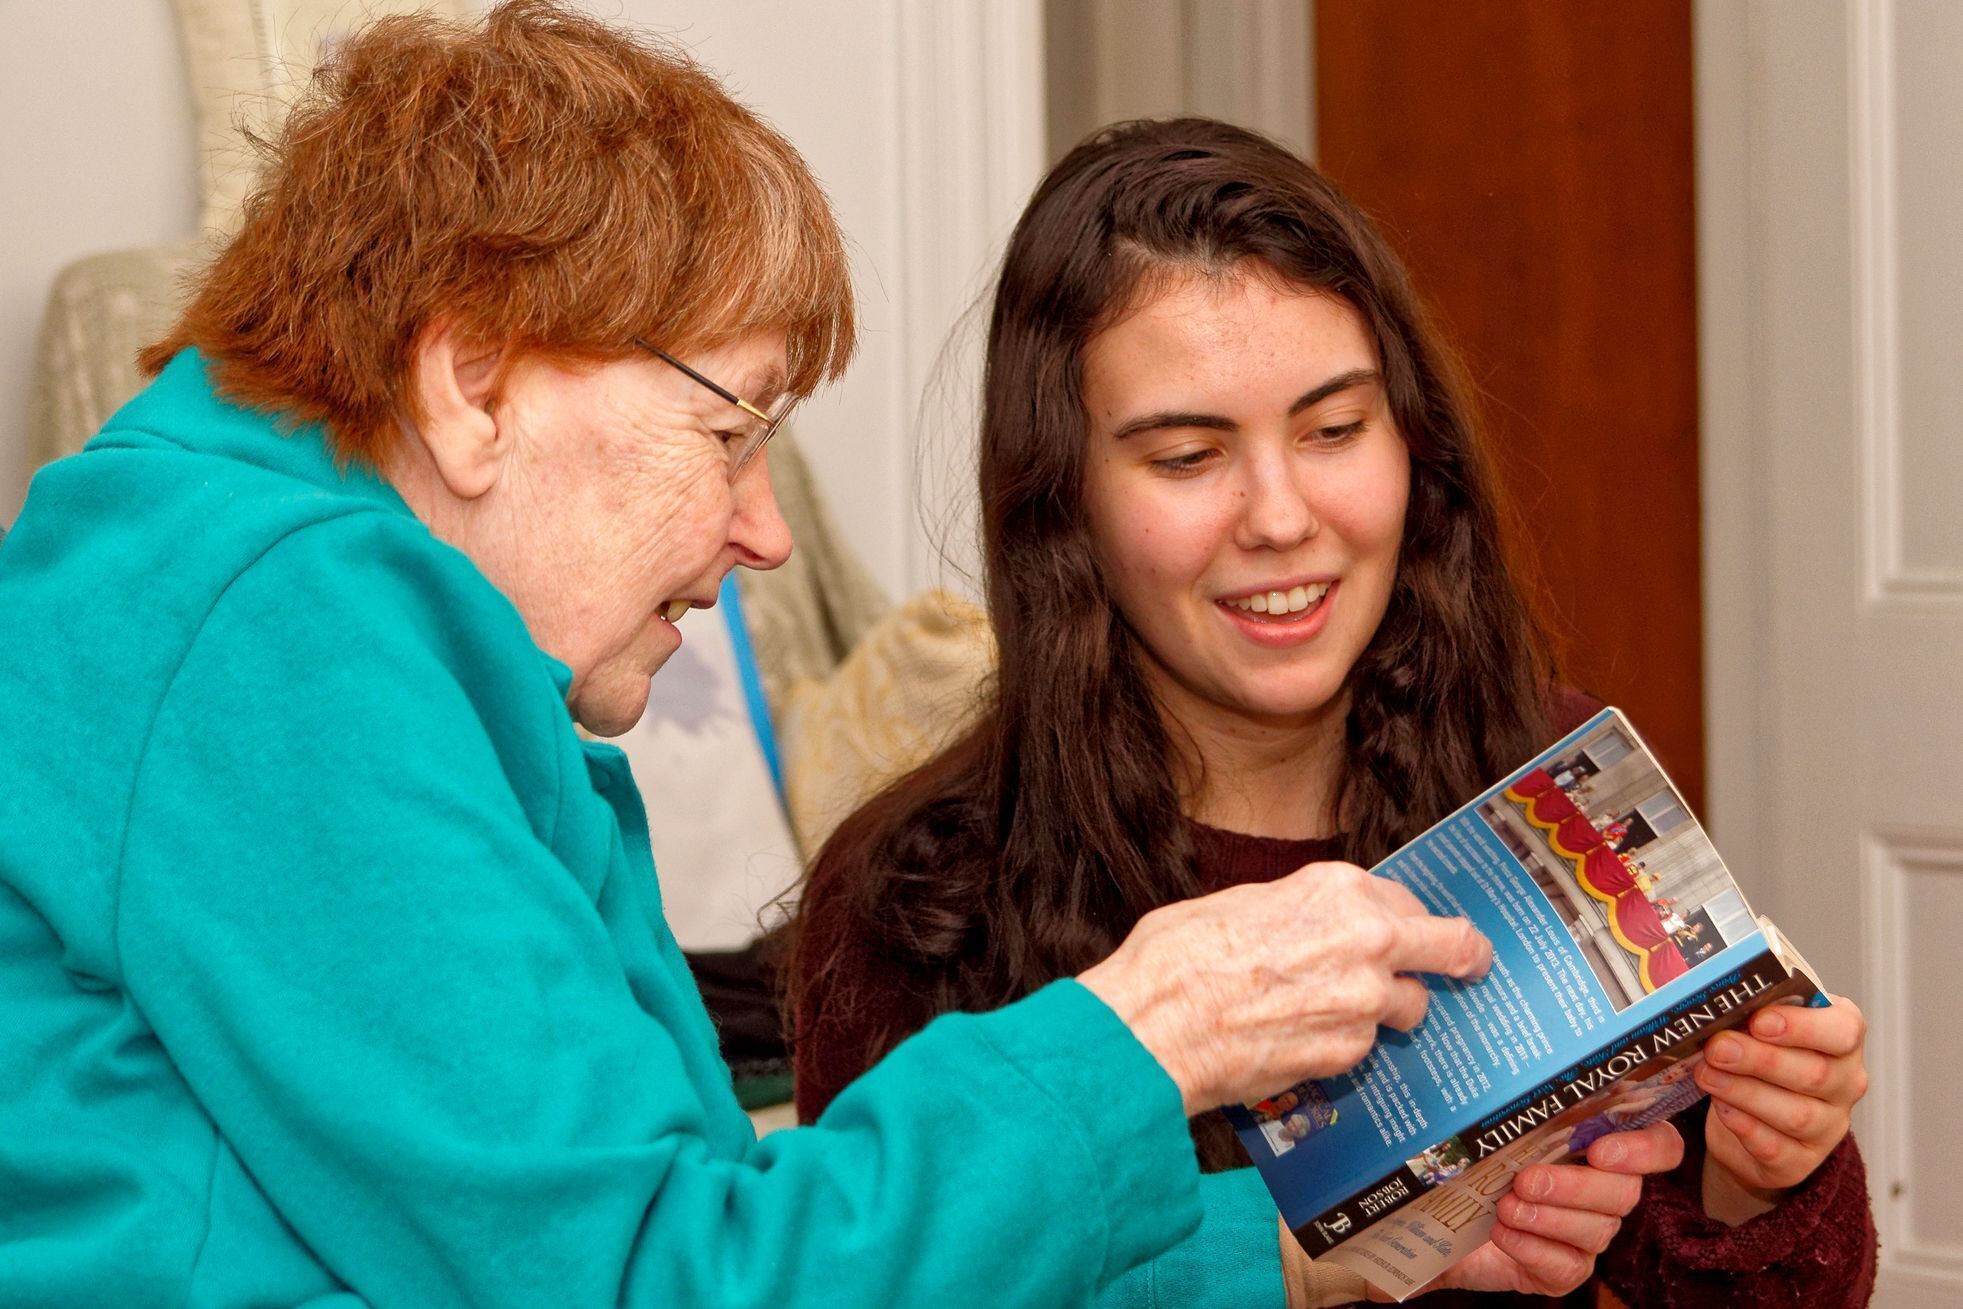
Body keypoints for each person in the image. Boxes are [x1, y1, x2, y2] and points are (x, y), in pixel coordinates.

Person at [0, 14, 1516, 1308]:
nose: (760, 531)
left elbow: (717, 1228)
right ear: (471, 379)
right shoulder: (276, 630)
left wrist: (1292, 1254)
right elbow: (665, 1281)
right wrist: (1142, 1032)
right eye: (728, 432)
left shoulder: (308, 615)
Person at [788, 118, 1878, 1306]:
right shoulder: (926, 901)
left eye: (1334, 430)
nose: (1279, 516)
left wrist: (1758, 1173)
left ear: (1414, 444)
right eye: (1189, 456)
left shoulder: (1549, 786)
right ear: (1064, 500)